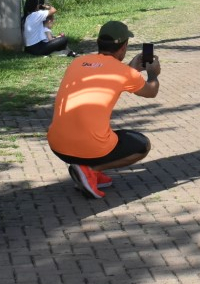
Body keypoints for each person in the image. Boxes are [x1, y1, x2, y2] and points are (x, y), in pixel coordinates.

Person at [46, 20, 160, 199]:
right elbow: (151, 91)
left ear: (99, 42)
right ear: (123, 47)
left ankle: (89, 171)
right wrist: (153, 73)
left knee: (100, 130)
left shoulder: (78, 62)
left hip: (57, 145)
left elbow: (106, 74)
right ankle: (90, 170)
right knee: (142, 145)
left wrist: (130, 68)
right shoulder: (124, 72)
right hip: (89, 147)